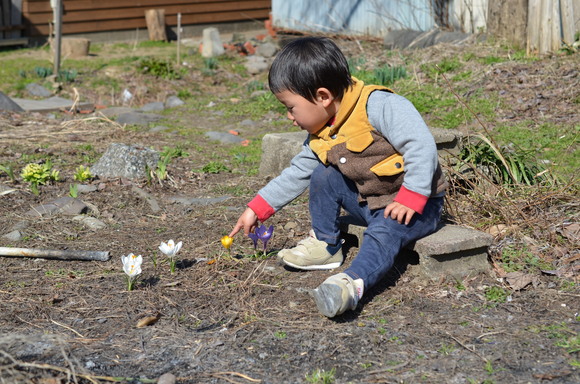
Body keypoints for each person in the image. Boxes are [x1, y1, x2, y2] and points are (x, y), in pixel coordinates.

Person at [229, 36, 447, 318]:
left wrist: (413, 195)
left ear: (322, 96)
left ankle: (350, 284)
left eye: (290, 107)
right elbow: (297, 173)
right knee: (323, 173)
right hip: (371, 201)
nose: (289, 117)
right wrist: (257, 208)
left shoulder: (378, 105)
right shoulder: (322, 132)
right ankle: (326, 244)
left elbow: (420, 145)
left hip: (415, 206)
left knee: (382, 232)